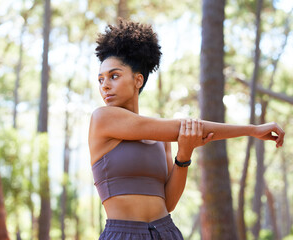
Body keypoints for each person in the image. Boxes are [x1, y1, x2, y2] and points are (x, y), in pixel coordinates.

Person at [88, 19, 285, 240]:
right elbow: (186, 126)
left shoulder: (160, 137)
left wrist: (183, 155)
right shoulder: (102, 118)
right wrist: (252, 130)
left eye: (114, 76)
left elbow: (169, 202)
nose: (104, 85)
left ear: (138, 80)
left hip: (166, 232)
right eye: (100, 79)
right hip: (123, 234)